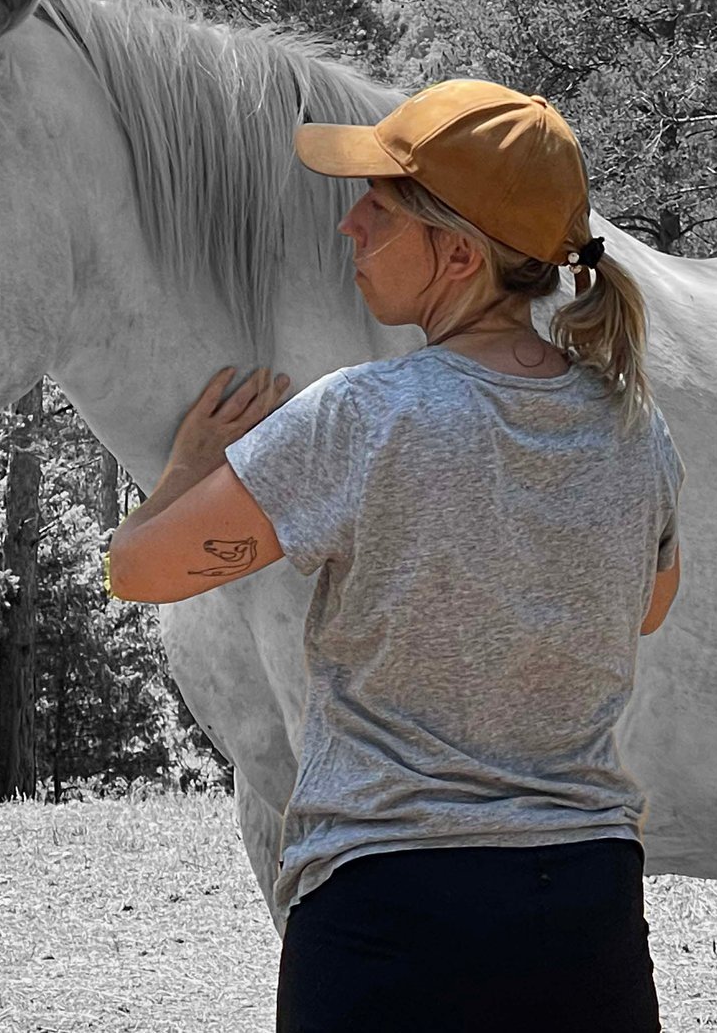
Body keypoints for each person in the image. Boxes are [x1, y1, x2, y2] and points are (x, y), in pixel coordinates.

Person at [105, 78, 684, 1033]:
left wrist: (188, 470)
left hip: (389, 920)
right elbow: (650, 606)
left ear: (457, 254)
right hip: (586, 919)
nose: (351, 224)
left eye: (381, 204)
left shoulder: (358, 418)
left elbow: (139, 570)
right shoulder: (635, 429)